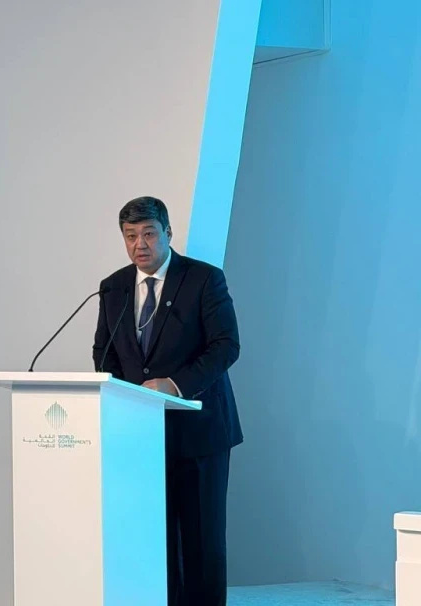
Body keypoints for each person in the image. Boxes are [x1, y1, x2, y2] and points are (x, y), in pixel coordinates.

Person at [92, 196, 243, 606]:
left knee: (200, 542)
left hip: (199, 432)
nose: (139, 244)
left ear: (168, 233)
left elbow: (226, 346)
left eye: (148, 234)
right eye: (130, 236)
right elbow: (104, 353)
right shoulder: (113, 287)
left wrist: (175, 384)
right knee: (153, 540)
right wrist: (125, 398)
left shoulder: (203, 279)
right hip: (141, 436)